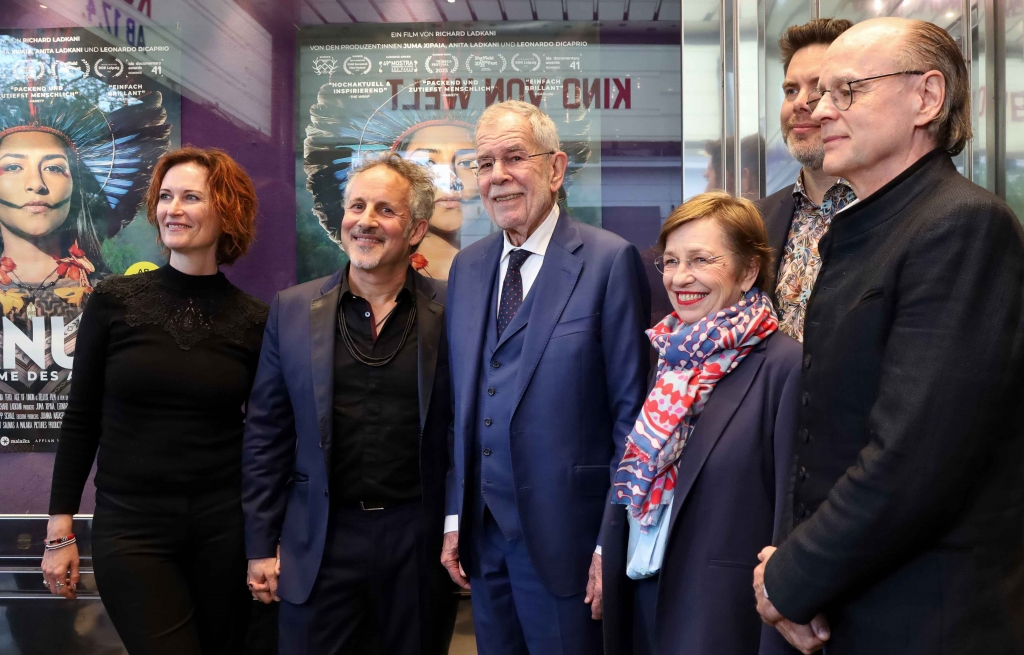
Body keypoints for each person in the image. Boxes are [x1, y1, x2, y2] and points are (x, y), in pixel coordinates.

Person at [753, 18, 1024, 655]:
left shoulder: (961, 224)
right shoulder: (873, 223)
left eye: (848, 91)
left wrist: (789, 580)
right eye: (819, 95)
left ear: (927, 99)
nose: (820, 111)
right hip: (850, 596)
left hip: (923, 614)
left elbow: (913, 459)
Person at [440, 99, 651, 655]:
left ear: (555, 169)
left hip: (570, 546)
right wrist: (455, 515)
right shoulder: (468, 267)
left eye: (515, 157)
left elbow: (632, 418)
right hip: (484, 544)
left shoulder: (610, 262)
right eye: (484, 163)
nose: (498, 176)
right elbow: (462, 404)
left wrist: (612, 541)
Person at [41, 147, 268, 655]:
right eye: (166, 197)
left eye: (191, 197)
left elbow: (270, 439)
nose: (173, 209)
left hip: (224, 529)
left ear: (227, 210)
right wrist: (60, 528)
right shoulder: (113, 301)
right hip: (132, 528)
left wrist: (267, 540)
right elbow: (81, 419)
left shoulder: (256, 321)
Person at [242, 151, 458, 655]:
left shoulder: (455, 308)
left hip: (416, 540)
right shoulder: (293, 309)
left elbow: (466, 433)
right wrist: (259, 545)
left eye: (385, 210)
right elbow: (266, 437)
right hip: (319, 539)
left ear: (417, 228)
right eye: (356, 206)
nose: (365, 221)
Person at [601, 192, 801, 655]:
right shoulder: (669, 356)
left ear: (748, 271)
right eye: (669, 261)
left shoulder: (785, 367)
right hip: (645, 599)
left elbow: (788, 520)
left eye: (701, 260)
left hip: (722, 618)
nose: (680, 277)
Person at [0, 93, 169, 427]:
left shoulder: (117, 301)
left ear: (75, 186)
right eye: (13, 166)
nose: (36, 184)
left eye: (54, 168)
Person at [756, 18, 856, 341]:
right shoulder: (759, 219)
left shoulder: (896, 210)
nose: (800, 102)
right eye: (790, 90)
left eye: (819, 88)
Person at [398, 120, 482, 279]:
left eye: (467, 162)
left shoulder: (506, 268)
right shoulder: (383, 276)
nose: (451, 181)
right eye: (427, 163)